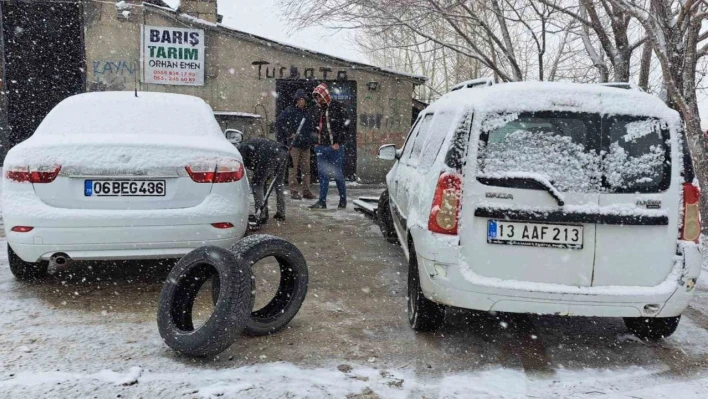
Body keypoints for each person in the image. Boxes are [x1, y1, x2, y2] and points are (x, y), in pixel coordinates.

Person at [309, 83, 347, 210]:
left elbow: (345, 126)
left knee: (337, 175)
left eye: (319, 96)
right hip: (321, 147)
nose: (318, 100)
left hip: (334, 147)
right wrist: (315, 143)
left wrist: (338, 142)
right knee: (323, 175)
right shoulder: (317, 109)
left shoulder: (337, 107)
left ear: (325, 95)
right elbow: (314, 127)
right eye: (316, 97)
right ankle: (322, 201)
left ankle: (343, 200)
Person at [276, 89, 316, 200]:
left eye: (302, 99)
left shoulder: (308, 112)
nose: (301, 101)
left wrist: (312, 138)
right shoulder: (290, 111)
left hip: (306, 145)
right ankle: (293, 191)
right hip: (294, 145)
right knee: (293, 169)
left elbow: (312, 127)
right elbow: (279, 122)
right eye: (299, 99)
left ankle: (306, 191)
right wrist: (289, 133)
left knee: (306, 170)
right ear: (296, 100)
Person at [238, 137, 289, 222]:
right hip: (282, 151)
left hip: (268, 153)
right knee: (278, 183)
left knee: (256, 184)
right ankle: (281, 212)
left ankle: (261, 215)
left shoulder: (240, 151)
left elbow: (248, 165)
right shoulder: (250, 144)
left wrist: (260, 176)